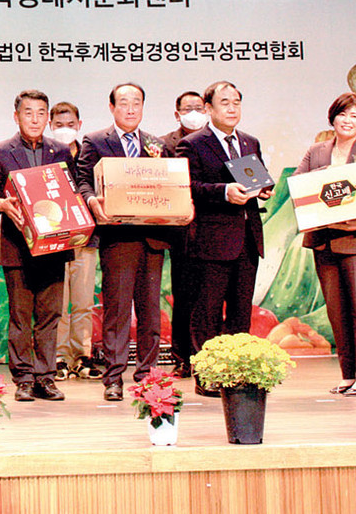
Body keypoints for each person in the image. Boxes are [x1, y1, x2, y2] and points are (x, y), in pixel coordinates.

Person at [75, 83, 172, 402]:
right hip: (117, 238)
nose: (131, 109)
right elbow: (82, 180)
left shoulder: (157, 144)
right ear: (112, 107)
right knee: (117, 312)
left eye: (137, 103)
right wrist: (92, 201)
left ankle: (148, 376)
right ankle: (114, 377)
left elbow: (169, 184)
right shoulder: (95, 141)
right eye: (124, 103)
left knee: (150, 313)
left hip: (152, 237)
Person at [294, 92, 356, 397]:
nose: (347, 121)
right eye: (342, 114)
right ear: (332, 118)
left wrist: (355, 223)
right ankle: (348, 374)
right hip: (324, 242)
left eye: (354, 116)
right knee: (337, 312)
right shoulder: (316, 152)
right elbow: (299, 186)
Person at [177, 82, 269, 396]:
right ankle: (206, 376)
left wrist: (264, 188)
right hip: (211, 241)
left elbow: (257, 177)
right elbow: (187, 186)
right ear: (208, 108)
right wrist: (224, 192)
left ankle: (236, 374)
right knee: (207, 311)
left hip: (248, 239)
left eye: (237, 102)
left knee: (241, 313)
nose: (232, 108)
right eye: (225, 102)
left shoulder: (249, 142)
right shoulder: (192, 144)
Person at [0, 90, 72, 402]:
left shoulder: (61, 151)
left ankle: (45, 378)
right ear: (16, 116)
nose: (35, 119)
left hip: (54, 247)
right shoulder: (0, 151)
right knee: (20, 318)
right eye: (28, 112)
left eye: (41, 113)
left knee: (49, 317)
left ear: (48, 117)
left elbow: (71, 192)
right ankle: (22, 378)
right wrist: (0, 204)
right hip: (17, 247)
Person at [50, 101, 102, 382]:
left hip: (86, 238)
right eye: (59, 125)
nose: (65, 129)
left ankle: (82, 356)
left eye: (70, 125)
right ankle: (58, 357)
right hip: (55, 240)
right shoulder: (45, 156)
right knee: (59, 303)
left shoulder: (91, 155)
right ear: (50, 126)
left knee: (83, 301)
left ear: (79, 125)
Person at [161, 90, 207, 379]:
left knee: (209, 299)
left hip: (214, 228)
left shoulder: (215, 140)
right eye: (188, 109)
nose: (194, 113)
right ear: (177, 114)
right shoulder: (164, 144)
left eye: (198, 108)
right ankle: (181, 358)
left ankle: (209, 358)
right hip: (182, 233)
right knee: (184, 296)